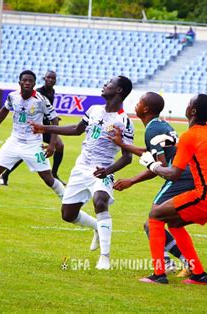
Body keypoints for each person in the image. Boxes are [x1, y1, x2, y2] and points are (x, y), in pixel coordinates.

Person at [29, 76, 134, 270]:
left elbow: (127, 157)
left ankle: (105, 257)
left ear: (119, 91)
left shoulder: (124, 121)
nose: (105, 84)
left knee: (100, 201)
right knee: (68, 215)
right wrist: (44, 127)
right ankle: (96, 227)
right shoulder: (94, 109)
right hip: (80, 168)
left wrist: (108, 171)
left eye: (110, 83)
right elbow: (77, 129)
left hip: (102, 169)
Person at [137, 94, 207, 285]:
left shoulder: (190, 135)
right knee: (174, 223)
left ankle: (159, 274)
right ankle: (199, 275)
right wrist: (170, 144)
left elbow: (172, 173)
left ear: (193, 111)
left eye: (189, 104)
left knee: (155, 215)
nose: (187, 106)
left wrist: (152, 165)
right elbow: (187, 149)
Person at [108, 92, 195, 277]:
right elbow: (151, 153)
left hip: (181, 177)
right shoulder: (159, 124)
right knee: (167, 221)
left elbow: (160, 166)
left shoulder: (152, 130)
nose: (136, 104)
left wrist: (131, 180)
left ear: (145, 109)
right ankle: (184, 263)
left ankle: (167, 266)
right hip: (188, 174)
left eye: (139, 102)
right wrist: (122, 144)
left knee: (152, 221)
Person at [0, 70, 65, 217]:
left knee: (48, 178)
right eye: (24, 80)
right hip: (13, 142)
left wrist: (52, 144)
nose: (27, 83)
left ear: (34, 84)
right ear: (19, 82)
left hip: (33, 145)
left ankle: (70, 203)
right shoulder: (13, 96)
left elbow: (55, 119)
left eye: (30, 81)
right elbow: (4, 110)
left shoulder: (41, 100)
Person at [0, 70, 66, 186]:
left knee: (59, 146)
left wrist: (52, 117)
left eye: (53, 78)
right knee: (24, 153)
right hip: (34, 128)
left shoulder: (52, 92)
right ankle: (5, 174)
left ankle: (54, 174)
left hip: (45, 127)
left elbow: (46, 110)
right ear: (44, 79)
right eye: (48, 78)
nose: (50, 80)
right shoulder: (38, 92)